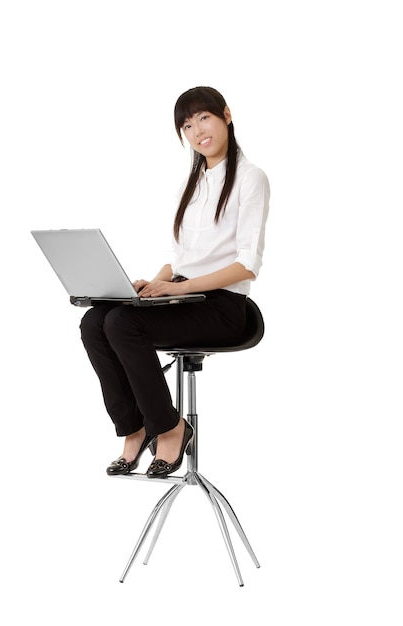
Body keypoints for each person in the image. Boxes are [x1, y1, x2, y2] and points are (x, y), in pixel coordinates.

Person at [80, 86, 270, 478]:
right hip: (184, 297)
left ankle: (169, 427)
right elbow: (178, 258)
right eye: (186, 124)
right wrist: (150, 284)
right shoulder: (193, 181)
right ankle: (134, 428)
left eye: (204, 117)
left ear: (226, 115)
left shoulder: (251, 178)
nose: (197, 130)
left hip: (223, 307)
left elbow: (247, 265)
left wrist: (180, 287)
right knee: (96, 321)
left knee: (121, 323)